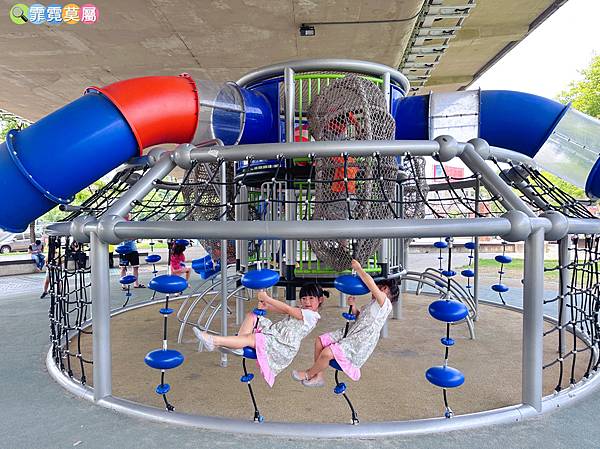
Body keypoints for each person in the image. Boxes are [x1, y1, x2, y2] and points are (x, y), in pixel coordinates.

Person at [194, 283, 328, 387]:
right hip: (275, 333)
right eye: (304, 298)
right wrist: (266, 305)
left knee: (252, 338)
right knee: (252, 315)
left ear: (320, 300)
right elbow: (281, 310)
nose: (307, 302)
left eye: (311, 298)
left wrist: (267, 298)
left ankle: (214, 341)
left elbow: (287, 308)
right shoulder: (301, 309)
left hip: (282, 345)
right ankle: (239, 345)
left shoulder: (312, 316)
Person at [292, 259, 399, 387]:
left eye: (383, 288)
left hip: (359, 342)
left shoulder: (385, 304)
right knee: (320, 341)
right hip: (351, 332)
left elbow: (370, 283)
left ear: (388, 293)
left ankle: (309, 374)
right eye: (380, 287)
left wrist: (359, 269)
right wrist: (353, 307)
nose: (377, 290)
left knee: (327, 352)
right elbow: (360, 318)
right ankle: (318, 376)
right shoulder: (372, 305)